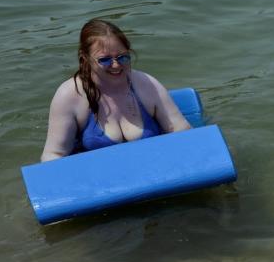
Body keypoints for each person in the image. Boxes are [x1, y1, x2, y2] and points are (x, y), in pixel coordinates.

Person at [41, 18, 190, 162]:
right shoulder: (69, 96)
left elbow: (182, 130)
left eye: (122, 57)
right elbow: (54, 155)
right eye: (105, 60)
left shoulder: (147, 84)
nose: (116, 65)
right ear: (85, 58)